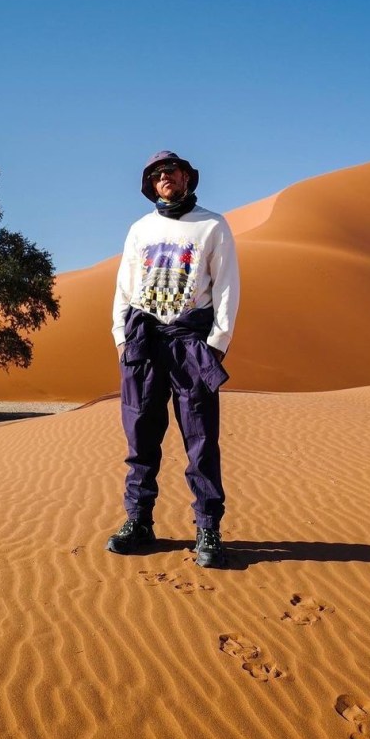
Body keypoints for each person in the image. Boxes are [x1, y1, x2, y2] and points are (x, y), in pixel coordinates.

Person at [107, 150, 240, 568]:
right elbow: (124, 286)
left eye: (171, 171)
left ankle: (207, 528)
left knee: (201, 440)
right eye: (157, 174)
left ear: (186, 178)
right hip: (143, 340)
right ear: (151, 184)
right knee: (141, 437)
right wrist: (120, 338)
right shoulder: (139, 229)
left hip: (190, 340)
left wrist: (217, 341)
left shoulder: (212, 225)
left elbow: (226, 287)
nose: (165, 177)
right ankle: (139, 522)